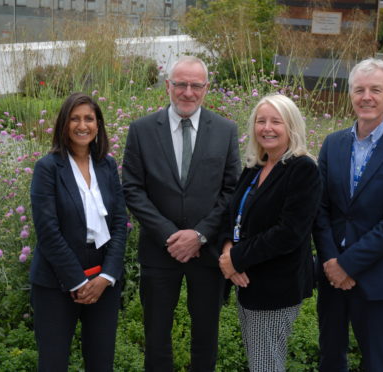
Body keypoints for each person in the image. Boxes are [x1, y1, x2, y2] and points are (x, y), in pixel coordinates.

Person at [122, 55, 241, 372]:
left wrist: (200, 235)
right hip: (160, 251)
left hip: (207, 251)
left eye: (195, 85)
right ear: (167, 86)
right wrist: (169, 235)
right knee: (156, 335)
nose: (188, 92)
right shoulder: (142, 130)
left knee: (206, 335)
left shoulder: (226, 130)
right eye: (181, 84)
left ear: (206, 88)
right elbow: (132, 188)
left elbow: (232, 190)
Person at [313, 58, 383, 371]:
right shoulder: (333, 144)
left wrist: (347, 265)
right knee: (330, 359)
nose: (367, 97)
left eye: (376, 89)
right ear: (350, 95)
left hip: (378, 277)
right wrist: (332, 263)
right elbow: (320, 211)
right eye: (359, 89)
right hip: (331, 273)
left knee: (376, 363)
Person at [218, 94, 322, 372]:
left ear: (291, 127)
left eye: (276, 121)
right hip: (248, 282)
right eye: (261, 121)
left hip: (276, 286)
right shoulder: (256, 166)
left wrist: (237, 259)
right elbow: (233, 214)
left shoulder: (302, 169)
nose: (267, 127)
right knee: (260, 362)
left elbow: (289, 233)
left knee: (265, 365)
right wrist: (229, 252)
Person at [30, 93, 127, 372]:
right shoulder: (47, 168)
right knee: (53, 363)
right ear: (64, 124)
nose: (82, 125)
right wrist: (78, 281)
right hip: (56, 281)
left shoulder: (107, 165)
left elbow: (120, 222)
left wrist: (107, 276)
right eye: (75, 118)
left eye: (89, 118)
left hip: (102, 278)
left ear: (98, 125)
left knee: (101, 362)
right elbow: (47, 232)